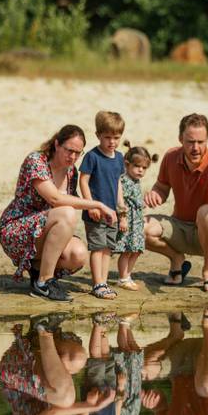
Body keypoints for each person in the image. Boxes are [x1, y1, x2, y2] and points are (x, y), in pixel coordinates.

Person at [0, 124, 117, 303]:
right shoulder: (36, 161)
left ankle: (37, 270)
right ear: (56, 144)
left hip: (44, 230)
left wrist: (95, 209)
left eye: (78, 153)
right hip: (16, 230)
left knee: (78, 254)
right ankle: (44, 283)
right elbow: (55, 199)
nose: (73, 157)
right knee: (67, 213)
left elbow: (71, 200)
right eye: (69, 150)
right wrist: (98, 204)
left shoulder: (71, 172)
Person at [144, 113, 208, 293]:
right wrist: (155, 194)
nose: (196, 148)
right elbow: (162, 188)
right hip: (180, 228)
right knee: (139, 227)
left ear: (207, 139)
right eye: (190, 141)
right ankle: (176, 259)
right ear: (180, 139)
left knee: (207, 212)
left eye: (201, 142)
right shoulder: (171, 157)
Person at [79, 111, 127, 300]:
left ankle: (104, 283)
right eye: (107, 137)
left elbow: (118, 184)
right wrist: (91, 206)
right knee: (97, 247)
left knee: (108, 247)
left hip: (113, 213)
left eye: (116, 137)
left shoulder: (119, 158)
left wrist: (121, 208)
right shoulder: (92, 156)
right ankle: (97, 283)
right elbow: (83, 181)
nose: (112, 142)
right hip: (95, 212)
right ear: (98, 135)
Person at [113, 142, 158, 291]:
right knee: (127, 250)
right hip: (129, 221)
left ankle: (128, 275)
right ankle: (122, 278)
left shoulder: (136, 181)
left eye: (144, 168)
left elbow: (134, 199)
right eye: (137, 166)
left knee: (136, 250)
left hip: (137, 221)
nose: (140, 170)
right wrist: (123, 218)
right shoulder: (124, 180)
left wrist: (142, 203)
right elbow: (121, 201)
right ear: (127, 164)